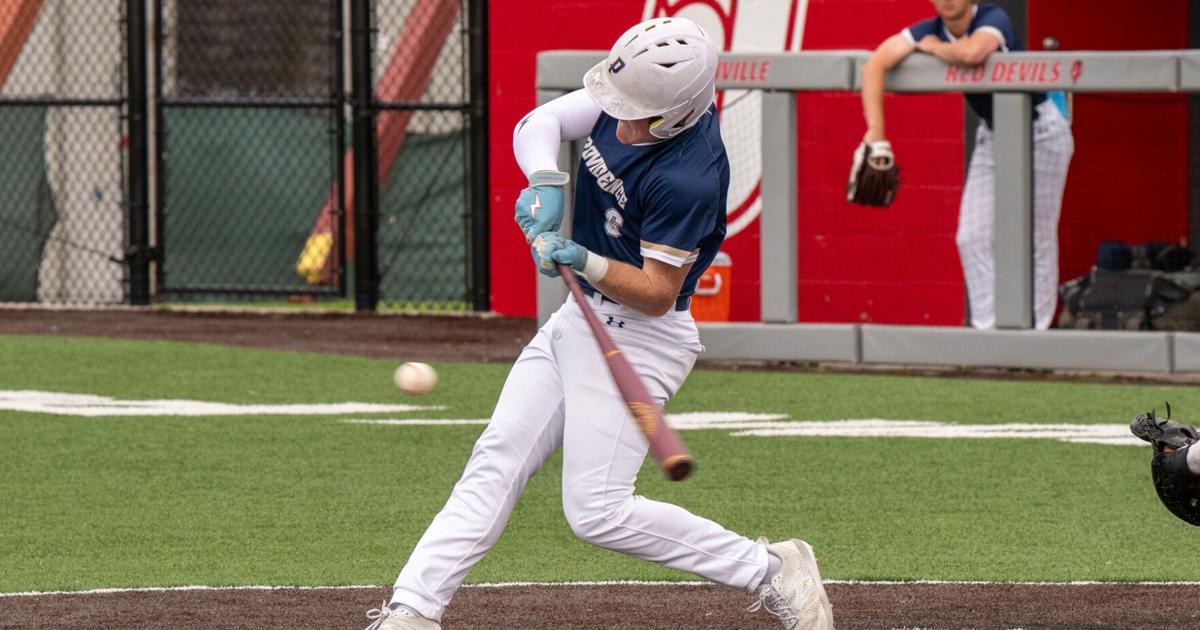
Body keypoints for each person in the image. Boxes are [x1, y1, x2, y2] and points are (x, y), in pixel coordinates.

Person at [364, 16, 833, 630]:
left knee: (597, 512)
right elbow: (541, 123)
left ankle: (772, 569)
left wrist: (580, 257)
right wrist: (545, 180)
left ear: (674, 117)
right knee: (496, 459)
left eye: (635, 116)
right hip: (579, 319)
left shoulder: (688, 176)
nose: (618, 121)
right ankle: (413, 611)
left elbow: (657, 294)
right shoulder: (633, 91)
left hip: (643, 337)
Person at [859, 0, 1074, 330]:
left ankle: (1036, 331)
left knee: (1037, 238)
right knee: (971, 237)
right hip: (994, 134)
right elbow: (875, 64)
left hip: (1040, 131)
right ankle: (989, 332)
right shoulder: (929, 29)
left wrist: (933, 48)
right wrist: (876, 131)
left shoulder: (991, 16)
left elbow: (974, 52)